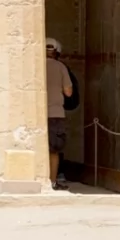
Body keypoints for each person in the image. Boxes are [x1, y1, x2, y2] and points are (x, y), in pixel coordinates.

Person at [46, 37, 73, 191]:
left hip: (36, 114)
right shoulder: (61, 67)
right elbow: (69, 92)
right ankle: (52, 182)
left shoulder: (34, 65)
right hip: (56, 113)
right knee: (54, 150)